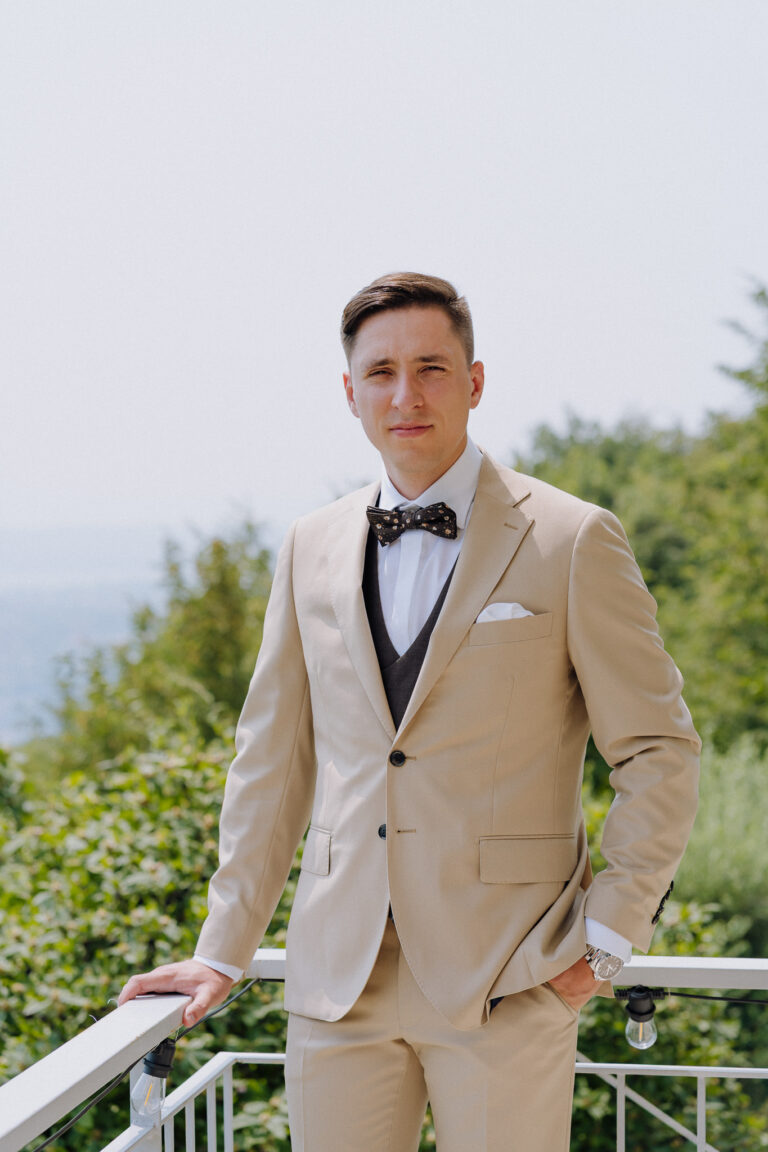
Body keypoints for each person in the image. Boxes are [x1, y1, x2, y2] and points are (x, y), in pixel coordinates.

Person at [119, 272, 700, 1150]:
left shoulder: (572, 538)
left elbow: (660, 750)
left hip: (511, 973)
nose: (406, 393)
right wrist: (222, 949)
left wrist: (606, 941)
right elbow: (271, 762)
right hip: (336, 980)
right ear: (350, 393)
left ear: (474, 380)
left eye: (431, 366)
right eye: (381, 372)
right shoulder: (308, 546)